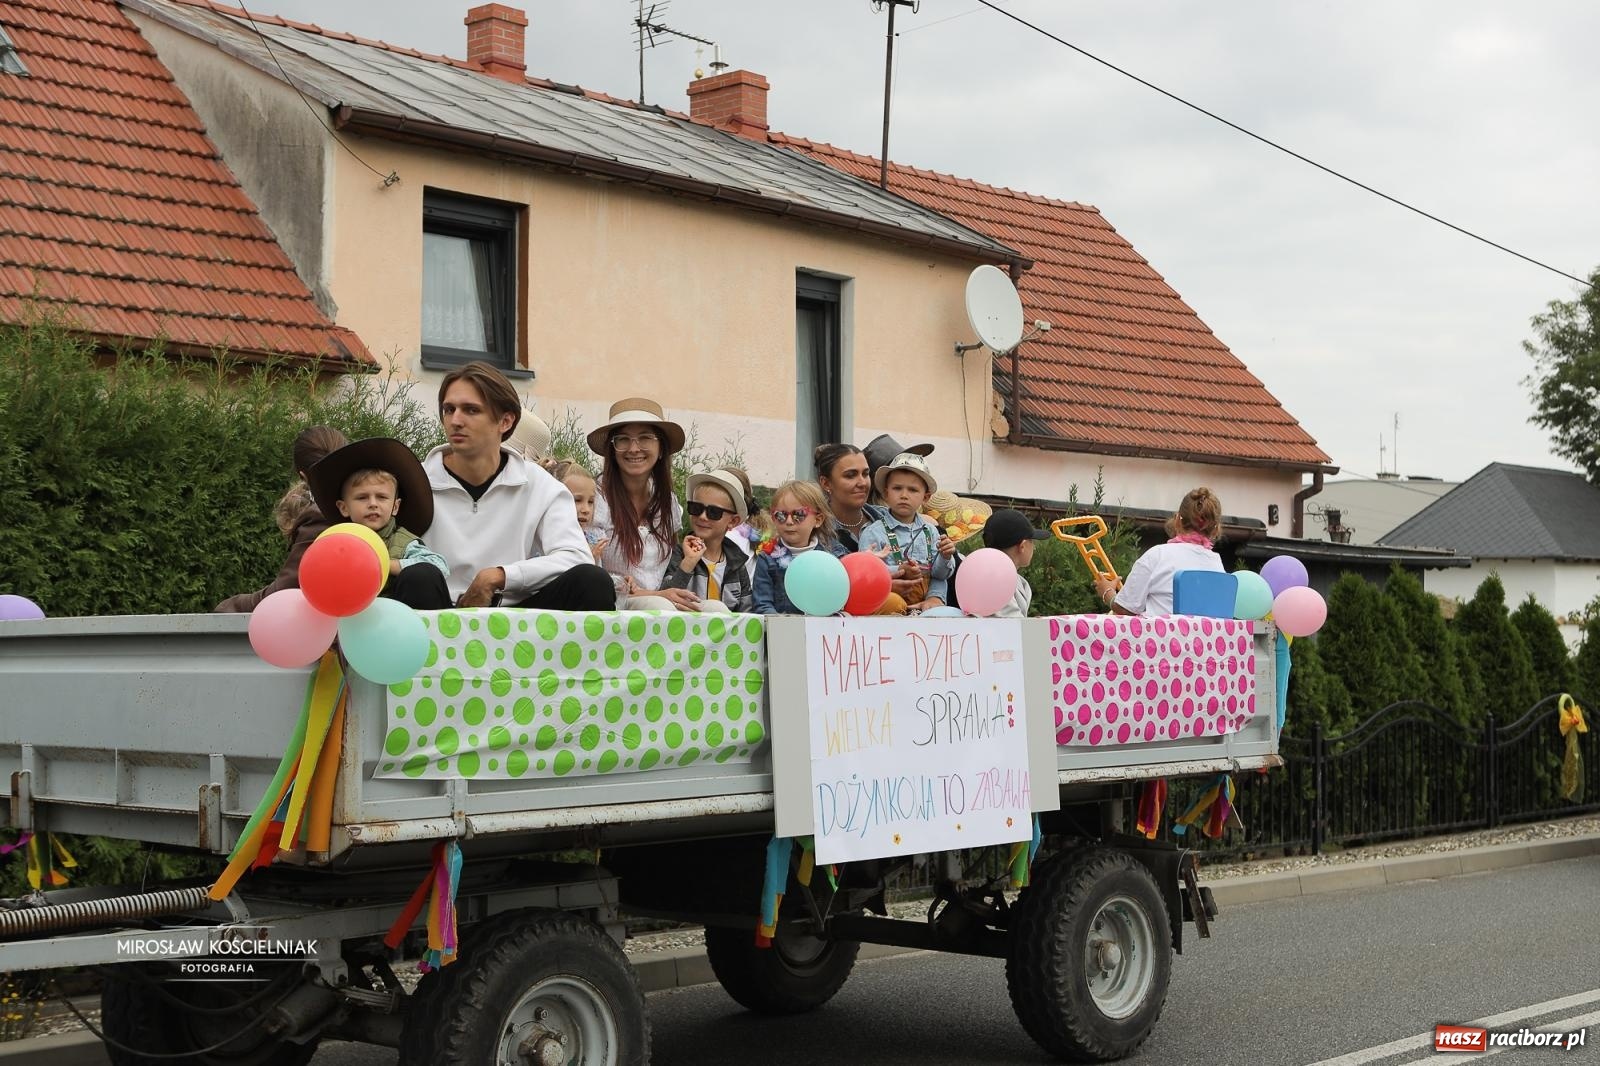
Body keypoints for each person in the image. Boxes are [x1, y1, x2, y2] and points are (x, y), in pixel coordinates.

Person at [422, 362, 614, 610]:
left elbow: (576, 556)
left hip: (514, 619)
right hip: (431, 613)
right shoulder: (416, 478)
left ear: (505, 421)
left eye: (470, 410)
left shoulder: (539, 483)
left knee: (592, 581)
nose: (455, 420)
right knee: (418, 577)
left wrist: (498, 576)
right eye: (449, 409)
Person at [306, 437, 452, 611]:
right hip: (355, 618)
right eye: (362, 497)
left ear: (395, 506)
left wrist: (386, 564)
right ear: (344, 508)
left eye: (381, 497)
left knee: (421, 574)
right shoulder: (336, 544)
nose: (373, 504)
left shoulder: (404, 542)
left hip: (399, 615)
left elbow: (439, 566)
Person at [215, 425, 347, 613]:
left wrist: (230, 606)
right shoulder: (376, 496)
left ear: (303, 476)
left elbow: (286, 591)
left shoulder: (322, 516)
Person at [588, 397, 696, 612]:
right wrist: (658, 595)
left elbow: (667, 577)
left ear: (661, 448)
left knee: (715, 610)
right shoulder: (596, 498)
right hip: (610, 603)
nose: (634, 448)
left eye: (645, 438)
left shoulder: (668, 502)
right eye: (623, 439)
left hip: (658, 601)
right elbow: (590, 574)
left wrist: (672, 589)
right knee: (660, 607)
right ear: (613, 449)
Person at [1095, 487, 1225, 616]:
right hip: (1202, 637)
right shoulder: (1217, 564)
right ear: (1215, 529)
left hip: (1163, 636)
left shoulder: (1157, 555)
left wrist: (1107, 592)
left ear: (1178, 520)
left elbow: (1126, 608)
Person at [858, 452, 955, 614]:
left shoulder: (930, 531)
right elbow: (867, 574)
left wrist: (946, 557)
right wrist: (899, 570)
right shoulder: (873, 532)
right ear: (886, 493)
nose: (904, 495)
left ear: (926, 497)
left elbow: (939, 575)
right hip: (889, 611)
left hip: (927, 610)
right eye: (897, 488)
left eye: (912, 490)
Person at [659, 468, 753, 613]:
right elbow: (665, 600)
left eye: (713, 512)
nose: (703, 516)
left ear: (733, 521)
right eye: (696, 508)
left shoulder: (737, 563)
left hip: (727, 634)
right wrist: (688, 563)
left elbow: (747, 613)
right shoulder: (678, 554)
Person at [753, 480, 846, 615]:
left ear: (818, 520)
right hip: (782, 631)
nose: (789, 522)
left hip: (819, 632)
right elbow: (762, 605)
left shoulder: (829, 560)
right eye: (781, 515)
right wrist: (783, 624)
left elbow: (837, 600)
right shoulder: (767, 558)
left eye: (799, 515)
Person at [983, 508, 1048, 618]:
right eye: (1032, 542)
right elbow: (1015, 628)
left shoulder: (1011, 578)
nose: (1034, 547)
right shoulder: (996, 583)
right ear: (1022, 546)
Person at [547, 460, 605, 561]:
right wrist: (588, 559)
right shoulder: (546, 539)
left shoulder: (592, 540)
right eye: (577, 500)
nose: (586, 510)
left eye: (590, 502)